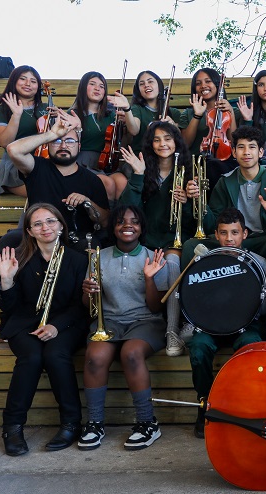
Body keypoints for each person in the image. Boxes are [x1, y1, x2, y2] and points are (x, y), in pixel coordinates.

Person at [0, 203, 88, 456]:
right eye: (37, 224)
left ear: (60, 225)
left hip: (65, 324)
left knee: (55, 355)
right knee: (32, 357)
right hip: (24, 324)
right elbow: (9, 307)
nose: (45, 227)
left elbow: (79, 306)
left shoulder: (78, 260)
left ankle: (71, 424)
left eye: (50, 221)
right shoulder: (17, 258)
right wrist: (6, 280)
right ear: (29, 231)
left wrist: (56, 326)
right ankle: (12, 428)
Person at [78, 205, 169, 451]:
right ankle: (95, 423)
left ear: (141, 227)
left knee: (131, 353)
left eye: (134, 221)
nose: (127, 225)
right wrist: (88, 292)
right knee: (95, 357)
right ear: (113, 227)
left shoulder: (154, 257)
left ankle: (147, 422)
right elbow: (90, 307)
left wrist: (149, 278)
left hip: (146, 321)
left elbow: (156, 307)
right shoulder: (98, 257)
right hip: (109, 321)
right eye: (121, 221)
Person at [186, 207, 266, 438]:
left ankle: (245, 407)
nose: (229, 239)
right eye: (224, 233)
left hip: (246, 324)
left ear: (245, 234)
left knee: (250, 346)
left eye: (235, 232)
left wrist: (248, 299)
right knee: (198, 347)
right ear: (216, 235)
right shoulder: (205, 261)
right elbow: (194, 300)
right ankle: (205, 404)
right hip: (211, 325)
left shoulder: (259, 262)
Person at [183, 125, 266, 292]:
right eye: (241, 147)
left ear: (261, 152)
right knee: (190, 246)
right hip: (232, 239)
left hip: (262, 239)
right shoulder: (225, 181)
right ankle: (193, 300)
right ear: (234, 153)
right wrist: (200, 201)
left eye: (252, 147)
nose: (246, 152)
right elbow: (212, 225)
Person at [118, 121, 195, 356]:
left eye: (168, 138)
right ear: (150, 144)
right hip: (148, 241)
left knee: (172, 263)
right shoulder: (143, 170)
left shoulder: (189, 172)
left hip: (176, 240)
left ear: (176, 142)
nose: (163, 144)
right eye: (157, 139)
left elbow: (201, 221)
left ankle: (172, 330)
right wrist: (138, 175)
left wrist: (189, 201)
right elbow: (126, 211)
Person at [4, 114, 110, 252]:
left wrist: (87, 202)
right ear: (48, 145)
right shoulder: (37, 167)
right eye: (57, 141)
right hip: (39, 237)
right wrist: (52, 134)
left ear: (79, 146)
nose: (63, 145)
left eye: (70, 141)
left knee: (91, 245)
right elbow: (13, 150)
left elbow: (105, 222)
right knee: (9, 241)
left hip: (76, 241)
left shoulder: (92, 180)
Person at [114, 70, 183, 198]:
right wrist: (127, 109)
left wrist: (173, 126)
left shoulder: (173, 112)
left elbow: (182, 140)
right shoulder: (137, 109)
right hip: (140, 159)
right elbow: (134, 129)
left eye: (150, 81)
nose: (146, 85)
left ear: (159, 86)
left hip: (165, 162)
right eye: (142, 84)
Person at [69, 71, 132, 201]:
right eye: (92, 84)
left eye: (101, 86)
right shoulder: (73, 114)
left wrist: (125, 127)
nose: (97, 88)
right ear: (83, 87)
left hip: (108, 162)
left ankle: (119, 214)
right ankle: (102, 214)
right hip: (83, 162)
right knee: (107, 184)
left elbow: (122, 142)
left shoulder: (112, 114)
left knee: (122, 183)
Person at [0, 65, 47, 196]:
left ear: (38, 86)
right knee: (45, 192)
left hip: (41, 162)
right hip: (15, 166)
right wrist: (16, 115)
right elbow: (5, 142)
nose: (28, 84)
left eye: (33, 81)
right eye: (23, 79)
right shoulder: (3, 109)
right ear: (14, 81)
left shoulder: (46, 108)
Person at [178, 67, 240, 187]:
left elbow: (233, 142)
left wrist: (230, 112)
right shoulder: (188, 113)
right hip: (197, 162)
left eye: (208, 81)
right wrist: (197, 115)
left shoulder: (233, 111)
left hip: (225, 161)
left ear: (217, 84)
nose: (203, 86)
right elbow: (185, 143)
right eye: (198, 83)